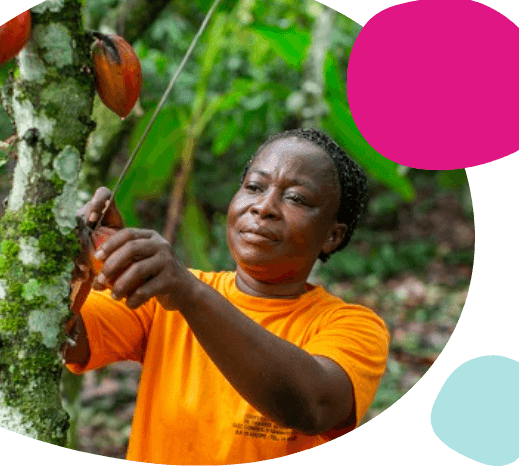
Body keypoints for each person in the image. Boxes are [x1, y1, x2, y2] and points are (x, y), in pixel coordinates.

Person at [63, 128, 390, 465]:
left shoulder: (353, 326)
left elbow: (313, 407)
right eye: (254, 187)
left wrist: (188, 294)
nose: (264, 207)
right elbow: (61, 334)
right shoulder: (164, 298)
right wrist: (80, 267)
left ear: (332, 237)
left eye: (295, 198)